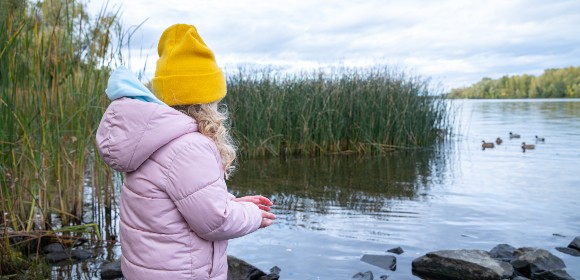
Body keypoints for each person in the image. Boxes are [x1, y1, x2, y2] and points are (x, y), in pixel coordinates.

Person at [96, 23, 276, 280]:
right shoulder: (189, 147)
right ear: (208, 98)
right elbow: (216, 221)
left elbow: (182, 201)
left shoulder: (152, 138)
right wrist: (254, 215)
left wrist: (232, 203)